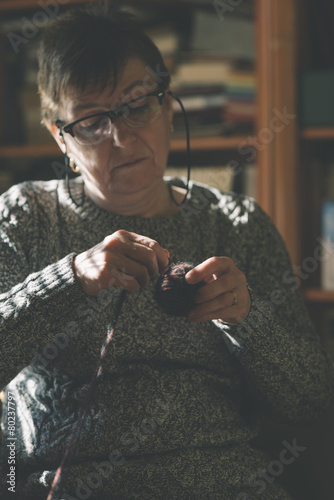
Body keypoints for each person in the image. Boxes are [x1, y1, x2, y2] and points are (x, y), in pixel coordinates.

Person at [0, 3, 333, 500]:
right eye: (92, 121)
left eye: (137, 105)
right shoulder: (24, 216)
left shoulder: (236, 224)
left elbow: (309, 402)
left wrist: (248, 319)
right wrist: (67, 278)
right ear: (60, 139)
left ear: (167, 106)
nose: (122, 136)